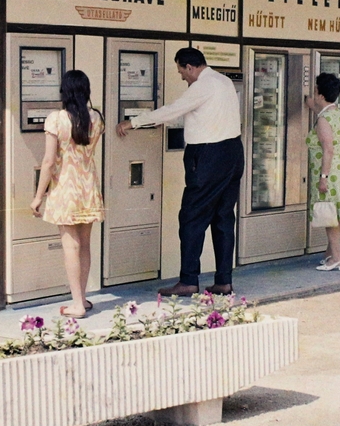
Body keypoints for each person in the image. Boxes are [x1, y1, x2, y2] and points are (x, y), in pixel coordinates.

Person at [116, 47, 242, 297]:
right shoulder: (224, 81)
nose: (182, 77)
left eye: (181, 71)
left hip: (207, 156)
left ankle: (188, 280)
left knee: (191, 218)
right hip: (233, 152)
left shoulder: (202, 87)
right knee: (224, 218)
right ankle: (224, 281)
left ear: (191, 67)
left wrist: (133, 121)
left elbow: (171, 111)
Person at [30, 70, 105, 318]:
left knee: (70, 247)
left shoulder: (56, 119)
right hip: (89, 186)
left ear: (65, 91)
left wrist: (38, 196)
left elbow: (49, 161)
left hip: (65, 188)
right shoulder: (96, 118)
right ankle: (82, 298)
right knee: (85, 245)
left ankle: (76, 305)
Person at [306, 71, 340, 271]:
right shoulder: (336, 113)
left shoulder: (323, 120)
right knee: (335, 214)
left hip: (330, 172)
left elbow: (328, 149)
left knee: (329, 215)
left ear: (319, 92)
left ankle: (337, 258)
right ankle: (329, 253)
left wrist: (323, 178)